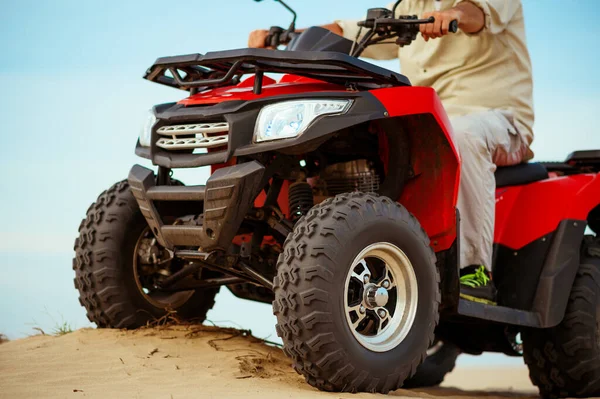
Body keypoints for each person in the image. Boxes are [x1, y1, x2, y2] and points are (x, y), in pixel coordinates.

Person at [249, 0, 534, 304]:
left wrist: (452, 16)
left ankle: (472, 270)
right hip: (433, 122)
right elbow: (354, 31)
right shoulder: (410, 5)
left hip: (497, 119)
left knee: (462, 136)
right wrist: (284, 37)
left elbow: (476, 14)